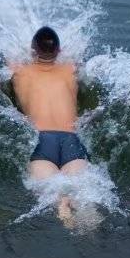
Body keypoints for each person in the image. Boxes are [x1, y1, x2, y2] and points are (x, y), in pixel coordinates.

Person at [9, 26, 94, 228]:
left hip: (41, 141)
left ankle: (63, 210)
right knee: (86, 198)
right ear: (59, 51)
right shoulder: (71, 69)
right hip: (72, 140)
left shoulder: (20, 71)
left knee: (55, 196)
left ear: (32, 51)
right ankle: (91, 228)